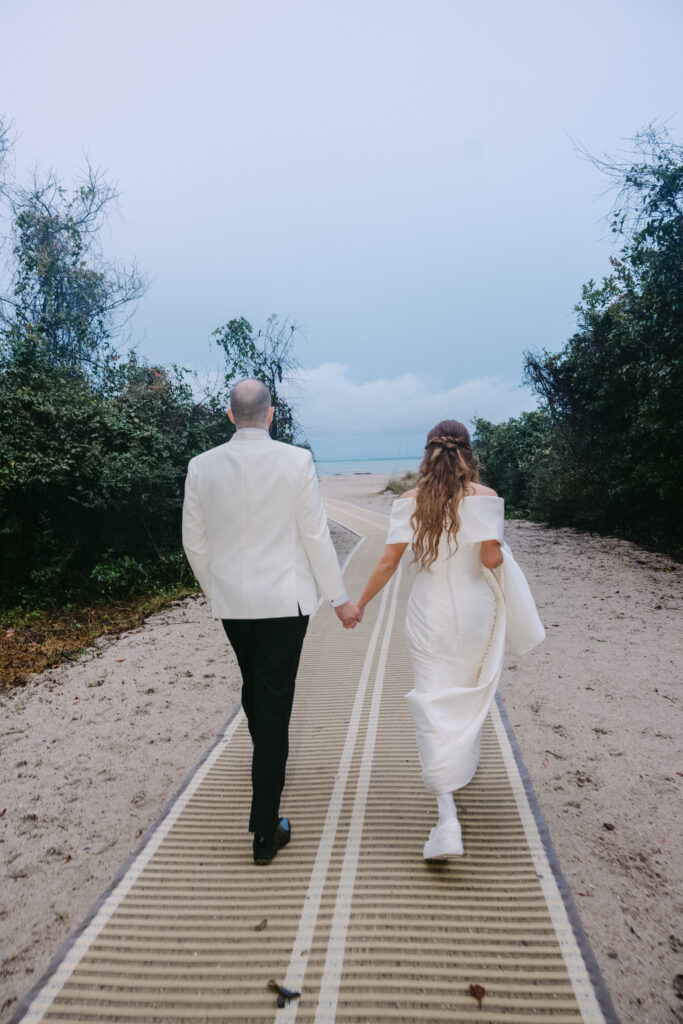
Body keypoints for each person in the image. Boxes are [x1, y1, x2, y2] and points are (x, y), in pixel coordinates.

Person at [182, 378, 361, 865]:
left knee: (255, 686)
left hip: (233, 603)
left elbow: (194, 544)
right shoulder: (296, 461)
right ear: (271, 414)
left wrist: (216, 590)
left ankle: (268, 761)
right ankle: (265, 830)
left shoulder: (201, 467)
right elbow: (315, 536)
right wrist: (340, 598)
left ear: (229, 415)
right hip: (285, 602)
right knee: (273, 697)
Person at [356, 419, 544, 860]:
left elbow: (387, 561)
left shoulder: (409, 502)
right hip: (477, 608)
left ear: (428, 453)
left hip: (430, 611)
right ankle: (459, 771)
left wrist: (360, 603)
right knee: (465, 689)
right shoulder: (488, 499)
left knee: (431, 696)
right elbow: (491, 557)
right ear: (468, 453)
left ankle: (447, 818)